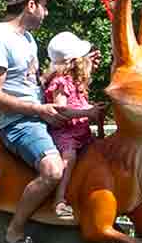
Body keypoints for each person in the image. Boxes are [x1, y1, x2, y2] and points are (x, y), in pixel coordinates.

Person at [0, 0, 91, 243]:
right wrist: (40, 110)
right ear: (30, 5)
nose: (46, 11)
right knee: (54, 170)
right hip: (17, 123)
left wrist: (76, 68)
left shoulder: (27, 39)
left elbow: (32, 82)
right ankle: (13, 235)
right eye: (44, 5)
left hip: (39, 117)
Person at [41, 31, 105, 219]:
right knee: (69, 157)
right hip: (66, 133)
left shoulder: (75, 81)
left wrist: (93, 109)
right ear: (74, 61)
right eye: (83, 57)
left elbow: (79, 103)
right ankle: (59, 199)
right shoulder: (60, 83)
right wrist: (87, 113)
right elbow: (61, 110)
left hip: (82, 132)